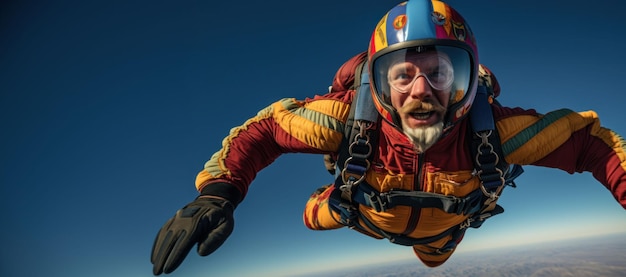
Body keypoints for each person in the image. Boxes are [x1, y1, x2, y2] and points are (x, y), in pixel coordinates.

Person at [150, 0, 626, 275]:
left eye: (440, 71)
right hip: (359, 212)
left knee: (433, 261)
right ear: (376, 82)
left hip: (441, 232)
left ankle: (358, 211)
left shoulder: (495, 132)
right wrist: (217, 193)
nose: (421, 91)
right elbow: (265, 129)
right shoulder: (342, 121)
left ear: (468, 77)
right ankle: (334, 201)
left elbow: (590, 142)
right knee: (313, 218)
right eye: (402, 75)